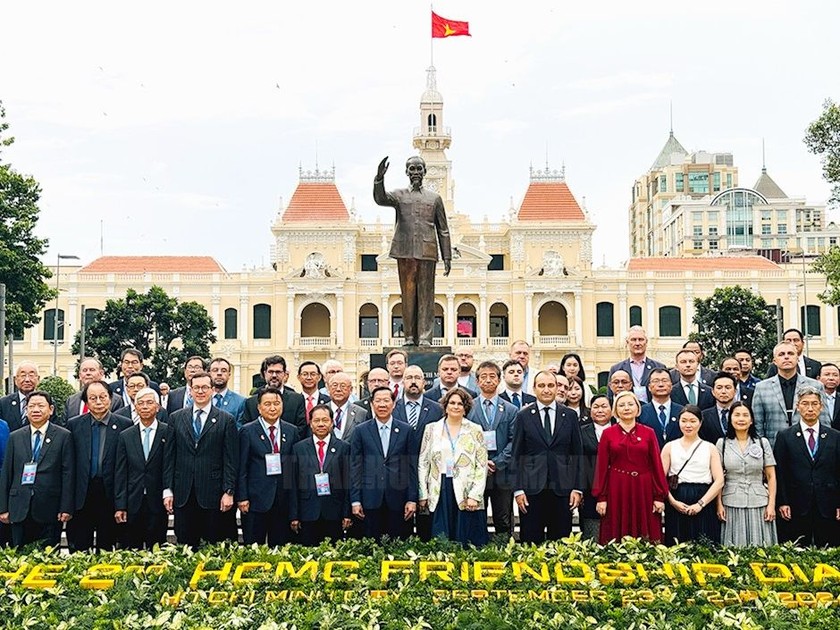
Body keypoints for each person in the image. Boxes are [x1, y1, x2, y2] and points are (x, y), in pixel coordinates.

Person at [373, 155, 452, 347]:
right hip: (405, 251)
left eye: (419, 169)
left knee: (426, 295)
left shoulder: (435, 198)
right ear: (407, 172)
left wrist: (447, 256)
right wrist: (379, 178)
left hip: (427, 251)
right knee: (408, 295)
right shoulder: (399, 195)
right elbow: (380, 199)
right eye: (412, 169)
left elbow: (443, 228)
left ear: (424, 172)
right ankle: (409, 337)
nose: (416, 172)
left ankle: (425, 338)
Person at [165, 372, 239, 547]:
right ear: (190, 391)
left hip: (212, 494)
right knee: (185, 546)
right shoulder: (176, 418)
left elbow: (231, 459)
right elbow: (169, 456)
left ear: (212, 390)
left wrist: (229, 491)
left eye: (205, 387)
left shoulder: (226, 420)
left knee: (211, 545)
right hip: (183, 492)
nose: (200, 391)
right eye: (196, 387)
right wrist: (167, 490)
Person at [511, 371, 584, 543]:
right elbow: (516, 455)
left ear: (557, 388)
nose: (546, 390)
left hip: (563, 490)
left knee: (560, 542)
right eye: (541, 386)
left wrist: (577, 488)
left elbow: (577, 455)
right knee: (531, 542)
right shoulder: (523, 416)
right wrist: (518, 490)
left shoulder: (570, 416)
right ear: (534, 389)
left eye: (551, 385)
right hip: (531, 491)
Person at [592, 391, 668, 544]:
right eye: (621, 405)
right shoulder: (608, 434)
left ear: (638, 408)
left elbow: (656, 465)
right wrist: (602, 497)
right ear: (615, 410)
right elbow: (601, 468)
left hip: (643, 487)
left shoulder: (649, 433)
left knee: (645, 531)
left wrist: (659, 496)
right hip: (617, 487)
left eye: (630, 404)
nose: (626, 408)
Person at [0, 391, 74, 548]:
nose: (35, 410)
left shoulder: (63, 436)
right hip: (19, 507)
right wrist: (3, 508)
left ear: (51, 409)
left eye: (41, 406)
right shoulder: (15, 436)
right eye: (31, 406)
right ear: (26, 410)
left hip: (50, 507)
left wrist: (66, 507)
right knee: (19, 558)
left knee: (48, 558)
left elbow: (68, 474)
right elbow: (7, 473)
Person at [67, 380, 132, 551]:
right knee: (80, 546)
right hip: (82, 493)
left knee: (108, 547)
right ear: (86, 402)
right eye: (93, 398)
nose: (98, 401)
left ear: (110, 399)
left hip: (110, 493)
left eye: (103, 397)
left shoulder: (125, 425)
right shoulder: (74, 425)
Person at [418, 388, 488, 546]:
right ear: (445, 405)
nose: (456, 407)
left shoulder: (475, 430)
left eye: (460, 404)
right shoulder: (431, 429)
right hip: (439, 487)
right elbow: (423, 462)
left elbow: (481, 465)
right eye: (452, 403)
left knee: (465, 537)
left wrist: (474, 495)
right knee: (440, 537)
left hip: (466, 489)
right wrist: (423, 492)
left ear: (466, 407)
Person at [774, 386, 840, 546]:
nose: (810, 408)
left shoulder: (834, 436)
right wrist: (782, 502)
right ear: (798, 406)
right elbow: (779, 472)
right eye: (805, 403)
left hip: (827, 503)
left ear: (821, 406)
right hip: (796, 504)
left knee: (828, 550)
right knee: (797, 550)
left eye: (814, 404)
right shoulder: (785, 436)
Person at [349, 387, 417, 541]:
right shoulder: (361, 431)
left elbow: (412, 467)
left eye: (386, 400)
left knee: (399, 547)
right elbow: (355, 467)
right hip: (369, 498)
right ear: (372, 404)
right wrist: (355, 500)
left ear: (393, 404)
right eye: (378, 401)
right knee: (371, 546)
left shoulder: (406, 430)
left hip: (399, 499)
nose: (382, 404)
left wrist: (412, 499)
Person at [236, 387, 299, 546]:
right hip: (255, 500)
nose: (272, 408)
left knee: (279, 548)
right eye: (267, 404)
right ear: (259, 407)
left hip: (282, 499)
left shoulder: (291, 431)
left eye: (276, 403)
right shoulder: (247, 431)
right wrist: (242, 497)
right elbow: (242, 467)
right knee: (253, 547)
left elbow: (294, 470)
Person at [114, 387, 172, 549]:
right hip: (133, 502)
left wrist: (169, 492)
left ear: (158, 407)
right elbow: (120, 472)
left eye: (149, 403)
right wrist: (120, 505)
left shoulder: (167, 432)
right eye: (141, 403)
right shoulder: (126, 435)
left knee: (158, 549)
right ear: (136, 407)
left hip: (157, 500)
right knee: (132, 549)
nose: (145, 406)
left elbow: (170, 466)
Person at [466, 361, 517, 540]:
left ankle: (503, 551)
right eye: (483, 377)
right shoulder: (468, 408)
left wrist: (496, 462)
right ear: (477, 381)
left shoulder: (511, 410)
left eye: (492, 376)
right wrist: (480, 463)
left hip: (502, 472)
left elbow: (513, 441)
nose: (488, 380)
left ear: (499, 380)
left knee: (503, 518)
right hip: (475, 472)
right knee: (475, 517)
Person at [715, 401, 778, 547]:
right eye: (736, 415)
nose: (741, 419)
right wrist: (719, 504)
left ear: (751, 420)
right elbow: (718, 478)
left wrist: (771, 505)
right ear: (730, 419)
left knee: (762, 547)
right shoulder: (722, 443)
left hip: (759, 502)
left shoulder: (762, 443)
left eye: (745, 415)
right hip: (731, 501)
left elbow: (771, 476)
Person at [661, 405, 724, 545]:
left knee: (704, 543)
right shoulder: (669, 447)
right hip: (677, 497)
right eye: (684, 421)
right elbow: (661, 478)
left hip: (704, 498)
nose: (688, 425)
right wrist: (672, 501)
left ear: (700, 423)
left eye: (693, 421)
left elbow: (719, 480)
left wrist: (700, 504)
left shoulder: (710, 448)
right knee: (677, 543)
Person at [291, 405, 352, 545]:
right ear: (310, 424)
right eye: (316, 420)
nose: (321, 424)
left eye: (325, 420)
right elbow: (293, 484)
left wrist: (346, 513)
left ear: (332, 423)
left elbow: (348, 482)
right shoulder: (299, 448)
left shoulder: (344, 447)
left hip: (334, 511)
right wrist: (294, 515)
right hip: (307, 511)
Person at [753, 342, 829, 447]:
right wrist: (763, 450)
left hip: (808, 448)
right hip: (773, 447)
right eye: (781, 354)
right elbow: (758, 424)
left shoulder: (816, 385)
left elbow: (824, 420)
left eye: (790, 353)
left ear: (797, 358)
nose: (786, 357)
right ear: (774, 361)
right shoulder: (761, 388)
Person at [242, 356, 306, 432]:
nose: (274, 375)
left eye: (278, 372)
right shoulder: (251, 402)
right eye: (271, 372)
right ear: (265, 373)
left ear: (285, 374)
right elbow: (247, 431)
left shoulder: (297, 400)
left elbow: (301, 429)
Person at [579, 394, 612, 541]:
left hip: (615, 484)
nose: (600, 410)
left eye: (604, 406)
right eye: (596, 407)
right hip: (589, 485)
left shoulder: (620, 429)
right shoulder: (581, 431)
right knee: (591, 529)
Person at [608, 326, 665, 403]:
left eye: (641, 339)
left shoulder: (659, 367)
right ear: (627, 343)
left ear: (646, 342)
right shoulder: (616, 369)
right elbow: (611, 396)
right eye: (633, 340)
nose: (637, 343)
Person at [638, 368, 683, 448]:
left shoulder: (682, 411)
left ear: (671, 385)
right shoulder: (640, 412)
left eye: (665, 380)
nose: (661, 384)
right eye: (656, 381)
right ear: (649, 387)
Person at [392, 365, 443, 432]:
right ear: (403, 383)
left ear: (424, 383)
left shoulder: (437, 409)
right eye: (409, 378)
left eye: (417, 378)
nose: (413, 381)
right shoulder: (393, 408)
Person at [0, 361, 41, 431]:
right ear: (16, 380)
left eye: (31, 375)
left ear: (38, 379)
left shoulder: (46, 402)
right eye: (23, 376)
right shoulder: (4, 403)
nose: (27, 380)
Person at [700, 372, 739, 444]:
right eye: (719, 388)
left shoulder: (741, 415)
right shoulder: (704, 416)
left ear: (735, 391)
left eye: (728, 388)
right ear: (713, 392)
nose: (723, 391)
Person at [326, 372, 366, 441]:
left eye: (343, 386)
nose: (338, 389)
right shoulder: (320, 411)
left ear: (350, 390)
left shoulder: (361, 413)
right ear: (328, 389)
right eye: (334, 385)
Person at [208, 358, 247, 428]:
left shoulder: (240, 402)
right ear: (209, 374)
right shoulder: (202, 399)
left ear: (229, 375)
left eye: (223, 371)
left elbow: (240, 429)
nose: (219, 373)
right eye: (215, 370)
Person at [818, 363, 840, 429]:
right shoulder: (814, 399)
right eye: (827, 374)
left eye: (835, 375)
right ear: (818, 378)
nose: (831, 378)